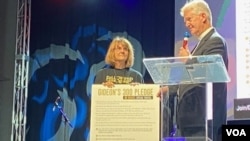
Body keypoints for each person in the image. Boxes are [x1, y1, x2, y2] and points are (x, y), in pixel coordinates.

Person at [157, 0, 228, 141]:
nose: (186, 24)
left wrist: (188, 60)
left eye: (189, 19)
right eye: (185, 21)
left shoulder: (215, 41)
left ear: (203, 17)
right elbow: (190, 77)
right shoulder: (201, 44)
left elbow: (210, 72)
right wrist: (169, 89)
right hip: (191, 122)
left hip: (204, 121)